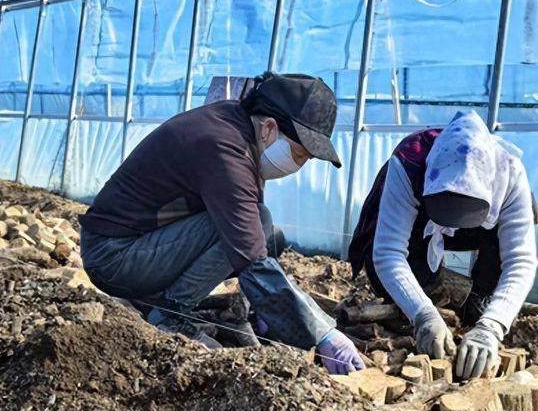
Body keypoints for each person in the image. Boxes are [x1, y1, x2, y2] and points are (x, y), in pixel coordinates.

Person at [79, 72, 365, 375]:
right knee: (253, 225)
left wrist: (273, 307)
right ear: (269, 127)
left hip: (139, 244)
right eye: (299, 154)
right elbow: (250, 255)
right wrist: (322, 334)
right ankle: (171, 314)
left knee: (265, 229)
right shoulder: (225, 148)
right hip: (112, 256)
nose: (299, 165)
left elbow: (254, 239)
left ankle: (180, 305)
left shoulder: (236, 127)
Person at [348, 110, 538, 380]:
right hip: (420, 219)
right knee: (406, 284)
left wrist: (492, 326)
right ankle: (428, 296)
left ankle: (480, 306)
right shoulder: (409, 163)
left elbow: (521, 261)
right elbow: (389, 252)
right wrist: (423, 314)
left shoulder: (509, 174)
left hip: (482, 226)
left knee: (493, 289)